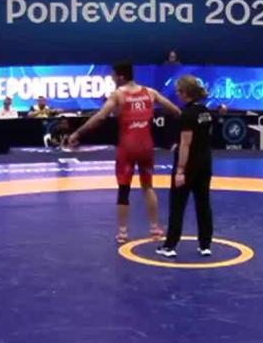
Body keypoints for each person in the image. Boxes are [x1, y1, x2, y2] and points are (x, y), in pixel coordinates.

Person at [67, 61, 181, 243]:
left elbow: (100, 117)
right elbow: (175, 111)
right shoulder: (150, 92)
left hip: (128, 148)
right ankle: (155, 228)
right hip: (146, 147)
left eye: (113, 75)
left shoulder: (118, 95)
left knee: (124, 189)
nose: (112, 78)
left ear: (120, 76)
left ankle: (122, 233)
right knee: (148, 186)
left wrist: (78, 133)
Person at [157, 75, 214, 258]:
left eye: (178, 91)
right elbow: (203, 137)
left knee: (178, 205)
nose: (177, 94)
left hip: (189, 164)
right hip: (205, 163)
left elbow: (186, 144)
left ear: (184, 93)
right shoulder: (205, 112)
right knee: (203, 204)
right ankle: (205, 245)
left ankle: (170, 246)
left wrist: (180, 170)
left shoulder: (187, 115)